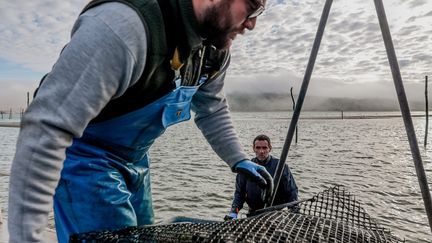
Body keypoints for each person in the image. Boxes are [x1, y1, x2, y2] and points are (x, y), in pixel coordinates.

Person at [7, 0, 273, 242]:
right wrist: (26, 236)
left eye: (259, 12)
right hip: (83, 158)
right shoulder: (122, 27)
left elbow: (212, 107)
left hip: (135, 161)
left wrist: (238, 159)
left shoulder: (214, 50)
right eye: (251, 6)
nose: (252, 22)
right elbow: (45, 130)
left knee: (144, 237)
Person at [227, 134, 298, 219]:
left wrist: (295, 213)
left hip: (276, 214)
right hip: (254, 213)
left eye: (264, 148)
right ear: (253, 149)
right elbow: (239, 193)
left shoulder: (281, 166)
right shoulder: (246, 167)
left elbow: (291, 191)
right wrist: (234, 211)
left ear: (270, 149)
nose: (261, 151)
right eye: (258, 148)